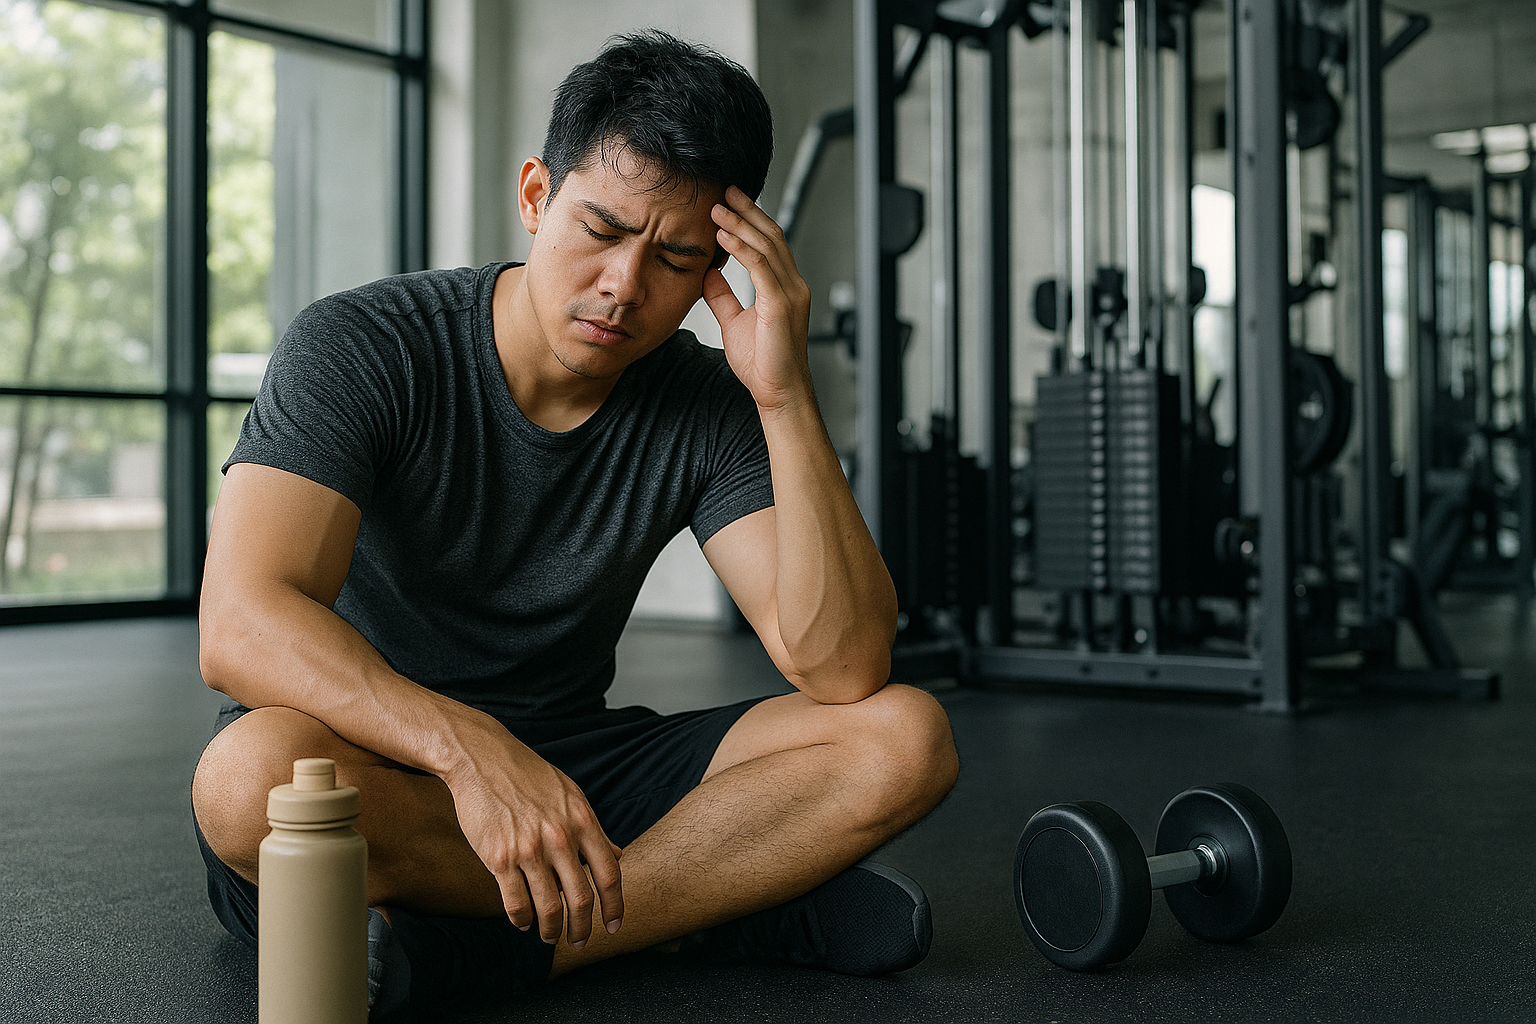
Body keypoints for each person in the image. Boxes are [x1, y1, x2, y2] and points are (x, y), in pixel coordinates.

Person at [190, 29, 959, 1020]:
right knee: (247, 781)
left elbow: (845, 667)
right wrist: (471, 752)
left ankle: (513, 947)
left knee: (906, 735)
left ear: (719, 264)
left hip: (575, 774)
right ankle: (709, 902)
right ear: (536, 196)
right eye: (600, 228)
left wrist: (783, 395)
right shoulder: (364, 345)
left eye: (677, 256)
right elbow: (241, 622)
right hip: (381, 762)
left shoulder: (703, 398)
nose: (626, 286)